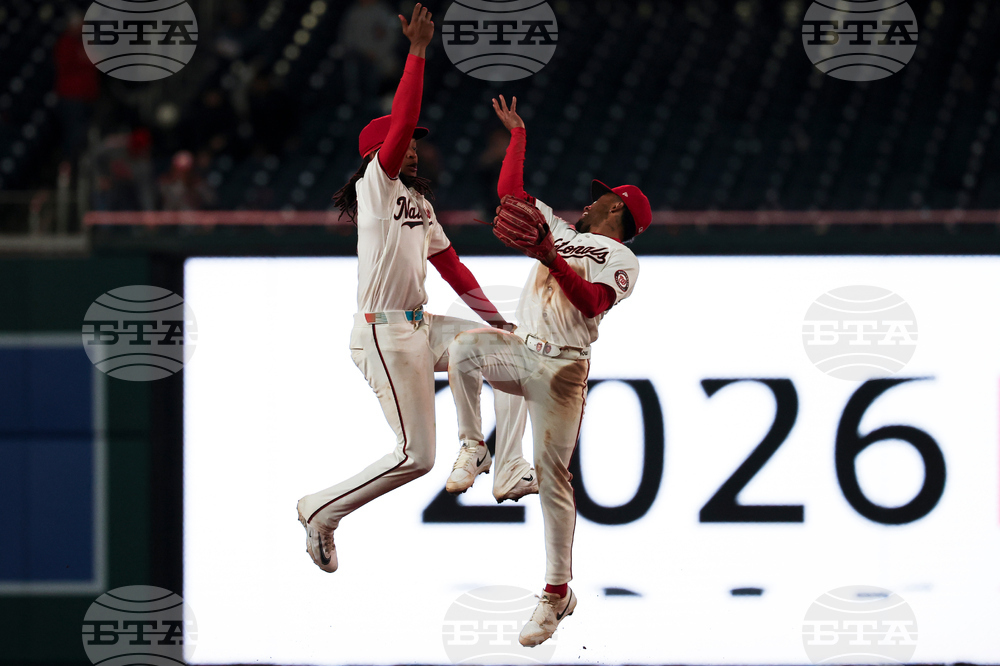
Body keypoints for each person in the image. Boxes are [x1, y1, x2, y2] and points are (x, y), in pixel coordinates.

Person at [295, 6, 532, 574]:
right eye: (408, 142)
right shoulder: (378, 186)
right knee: (417, 457)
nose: (417, 146)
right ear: (383, 152)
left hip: (421, 326)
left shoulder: (419, 204)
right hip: (383, 333)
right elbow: (401, 120)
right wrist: (419, 52)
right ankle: (321, 510)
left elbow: (454, 269)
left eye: (418, 142)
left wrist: (495, 320)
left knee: (514, 355)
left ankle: (500, 463)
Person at [444, 95, 652, 646]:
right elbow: (510, 194)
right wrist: (517, 138)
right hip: (526, 349)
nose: (590, 201)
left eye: (602, 198)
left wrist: (549, 256)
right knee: (466, 349)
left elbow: (590, 304)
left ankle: (557, 592)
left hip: (564, 370)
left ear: (617, 209)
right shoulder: (561, 230)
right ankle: (474, 446)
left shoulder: (623, 260)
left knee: (555, 479)